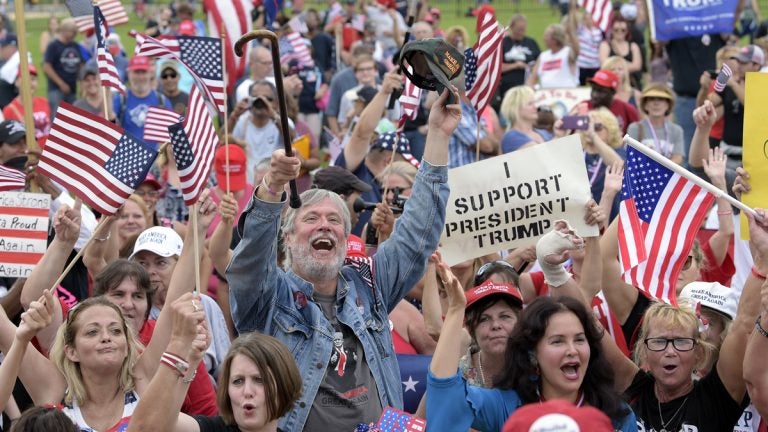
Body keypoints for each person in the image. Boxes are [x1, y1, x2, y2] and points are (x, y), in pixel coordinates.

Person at [227, 86, 460, 430]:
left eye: (334, 220)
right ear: (288, 238)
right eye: (311, 218)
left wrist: (438, 134)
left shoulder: (369, 284)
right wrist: (272, 188)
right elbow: (248, 264)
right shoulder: (269, 298)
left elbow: (417, 236)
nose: (325, 225)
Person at [425, 254, 635, 431]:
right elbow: (446, 402)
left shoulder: (616, 414)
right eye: (557, 341)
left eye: (579, 339)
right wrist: (455, 311)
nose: (572, 350)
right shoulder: (506, 405)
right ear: (534, 352)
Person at [126, 329, 302, 432]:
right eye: (238, 381)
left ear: (284, 384)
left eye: (259, 380)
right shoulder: (213, 429)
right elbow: (155, 425)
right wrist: (192, 360)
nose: (247, 391)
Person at [113, 55, 173, 150]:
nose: (140, 77)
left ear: (150, 74)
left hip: (156, 161)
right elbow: (109, 126)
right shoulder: (119, 100)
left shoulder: (162, 101)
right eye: (136, 72)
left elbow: (170, 136)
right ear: (128, 73)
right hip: (128, 158)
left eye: (143, 72)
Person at [627, 83, 685, 165]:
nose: (656, 103)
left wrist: (660, 170)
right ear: (645, 105)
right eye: (651, 99)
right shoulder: (635, 128)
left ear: (668, 105)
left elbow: (678, 158)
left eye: (661, 99)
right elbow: (630, 157)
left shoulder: (676, 130)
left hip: (668, 175)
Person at [496, 15, 540, 113]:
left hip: (527, 87)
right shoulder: (503, 43)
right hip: (507, 88)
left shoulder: (531, 43)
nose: (521, 32)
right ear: (511, 28)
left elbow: (540, 63)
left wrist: (532, 68)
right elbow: (496, 67)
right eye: (519, 29)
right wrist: (516, 65)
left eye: (523, 29)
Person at [43, 18, 83, 116]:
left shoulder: (75, 45)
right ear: (64, 31)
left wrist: (82, 82)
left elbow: (80, 64)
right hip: (56, 90)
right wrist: (61, 84)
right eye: (72, 32)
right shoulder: (53, 46)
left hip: (72, 89)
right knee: (56, 117)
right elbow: (47, 67)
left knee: (72, 118)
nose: (75, 34)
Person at [500, 86, 553, 153]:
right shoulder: (511, 137)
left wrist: (560, 134)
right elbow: (540, 157)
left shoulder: (543, 132)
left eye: (534, 103)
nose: (535, 106)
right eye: (530, 104)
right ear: (516, 108)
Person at [527, 23, 579, 89]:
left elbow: (577, 50)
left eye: (547, 35)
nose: (544, 38)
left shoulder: (567, 52)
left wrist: (571, 32)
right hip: (546, 95)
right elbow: (532, 78)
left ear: (555, 38)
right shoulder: (543, 56)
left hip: (566, 93)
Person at [598, 17, 642, 87]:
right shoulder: (605, 45)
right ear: (611, 30)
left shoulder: (633, 46)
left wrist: (615, 68)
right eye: (616, 30)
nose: (619, 32)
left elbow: (637, 66)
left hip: (633, 84)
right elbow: (604, 65)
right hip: (611, 84)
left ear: (627, 31)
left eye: (623, 30)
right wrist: (626, 66)